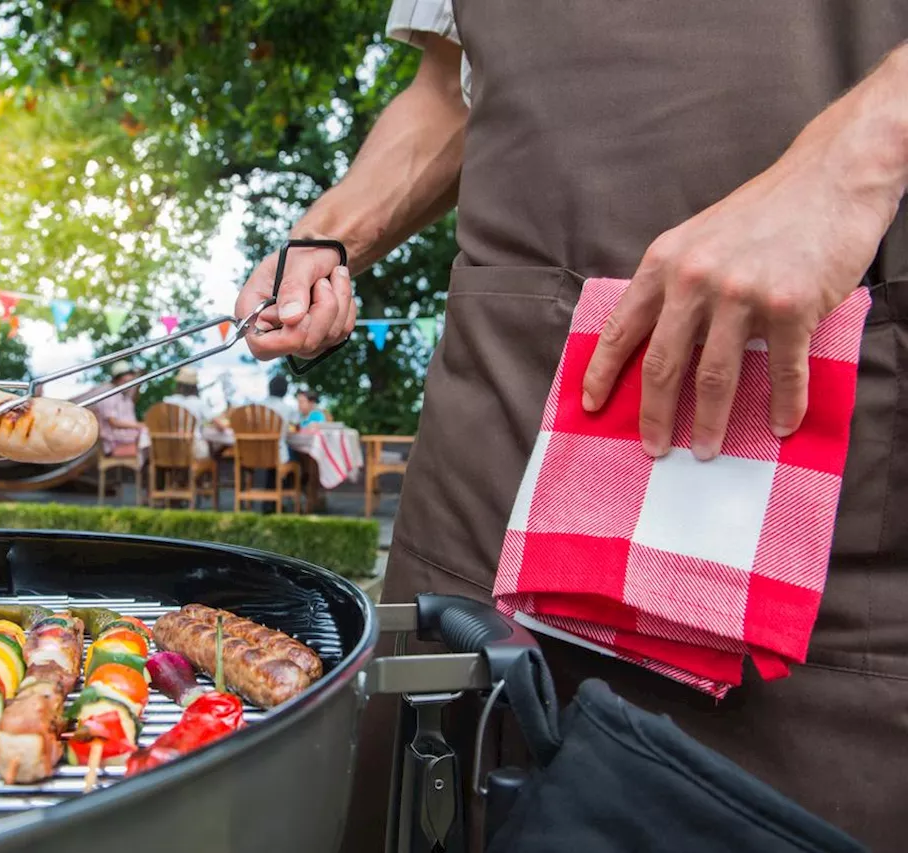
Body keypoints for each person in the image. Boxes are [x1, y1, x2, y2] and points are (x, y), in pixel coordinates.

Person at [234, 4, 908, 850]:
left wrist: (859, 155)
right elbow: (451, 88)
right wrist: (330, 236)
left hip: (814, 411)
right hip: (497, 428)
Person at [161, 366, 230, 459]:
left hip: (169, 448)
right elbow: (219, 426)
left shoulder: (168, 401)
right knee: (211, 448)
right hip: (192, 448)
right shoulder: (198, 403)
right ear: (194, 386)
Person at [91, 361, 143, 457]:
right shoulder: (109, 395)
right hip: (116, 443)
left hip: (129, 440)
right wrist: (138, 425)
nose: (129, 383)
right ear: (117, 379)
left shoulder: (125, 396)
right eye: (125, 381)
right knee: (152, 449)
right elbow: (113, 422)